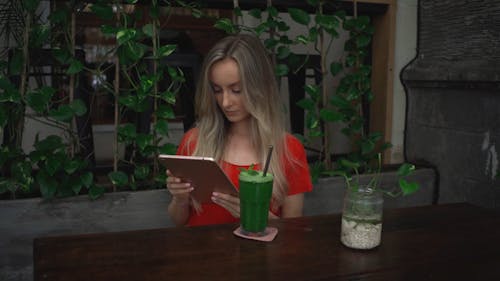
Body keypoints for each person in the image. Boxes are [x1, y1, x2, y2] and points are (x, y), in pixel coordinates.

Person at [166, 33, 313, 226]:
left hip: (256, 255)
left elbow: (293, 234)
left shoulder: (288, 149)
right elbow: (178, 222)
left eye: (236, 90)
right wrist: (180, 199)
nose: (225, 102)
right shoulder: (195, 141)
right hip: (201, 253)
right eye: (217, 90)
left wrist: (253, 214)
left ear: (260, 87)